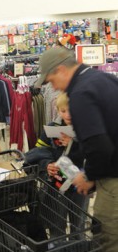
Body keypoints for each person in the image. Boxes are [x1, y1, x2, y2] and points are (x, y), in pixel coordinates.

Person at [35, 46, 118, 252]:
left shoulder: (80, 93)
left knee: (108, 248)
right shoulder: (103, 80)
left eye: (50, 80)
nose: (52, 87)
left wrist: (87, 175)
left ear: (60, 69)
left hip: (114, 181)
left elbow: (98, 146)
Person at [24, 92, 89, 237]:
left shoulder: (88, 130)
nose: (68, 115)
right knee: (56, 225)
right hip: (56, 186)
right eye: (63, 110)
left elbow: (95, 157)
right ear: (57, 110)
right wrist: (47, 165)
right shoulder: (51, 129)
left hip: (80, 186)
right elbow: (38, 153)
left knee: (79, 226)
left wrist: (76, 144)